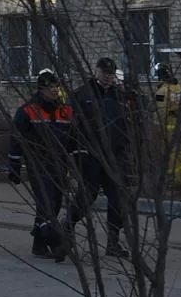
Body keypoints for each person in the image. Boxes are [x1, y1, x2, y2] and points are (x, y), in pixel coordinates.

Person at [7, 69, 75, 260]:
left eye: (56, 86)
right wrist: (13, 165)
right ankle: (57, 244)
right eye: (50, 87)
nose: (54, 90)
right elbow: (15, 138)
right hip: (38, 163)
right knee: (46, 204)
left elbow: (73, 137)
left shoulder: (65, 110)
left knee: (54, 204)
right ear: (41, 89)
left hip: (60, 164)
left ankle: (39, 245)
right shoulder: (28, 110)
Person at [73, 57, 132, 258]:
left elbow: (126, 124)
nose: (108, 77)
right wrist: (78, 150)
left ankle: (113, 242)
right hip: (90, 154)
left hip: (114, 155)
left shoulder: (118, 95)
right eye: (105, 73)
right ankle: (66, 227)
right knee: (87, 195)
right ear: (97, 71)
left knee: (117, 198)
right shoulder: (83, 95)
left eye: (111, 74)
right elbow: (74, 126)